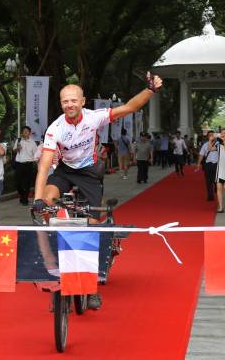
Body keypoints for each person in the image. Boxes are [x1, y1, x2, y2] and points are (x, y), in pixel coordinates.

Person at [33, 72, 162, 310]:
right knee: (47, 204)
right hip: (64, 170)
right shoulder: (55, 128)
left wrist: (150, 90)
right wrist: (38, 199)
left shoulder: (95, 117)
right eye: (65, 101)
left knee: (92, 226)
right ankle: (52, 266)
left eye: (74, 100)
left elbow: (130, 107)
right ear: (61, 104)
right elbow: (44, 165)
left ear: (83, 101)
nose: (69, 104)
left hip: (90, 173)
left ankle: (90, 287)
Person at [11, 126, 37, 206]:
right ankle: (22, 195)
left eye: (27, 131)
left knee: (27, 183)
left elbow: (36, 155)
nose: (25, 132)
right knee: (18, 183)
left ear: (29, 132)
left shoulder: (33, 143)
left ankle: (25, 199)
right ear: (22, 133)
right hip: (19, 164)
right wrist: (17, 148)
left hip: (29, 164)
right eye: (24, 131)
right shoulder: (18, 140)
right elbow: (14, 150)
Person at [197, 131, 220, 202]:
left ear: (214, 136)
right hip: (208, 164)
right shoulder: (205, 145)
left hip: (216, 164)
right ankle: (210, 195)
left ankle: (216, 188)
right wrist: (198, 164)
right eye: (209, 135)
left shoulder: (218, 144)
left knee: (216, 180)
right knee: (208, 181)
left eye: (212, 135)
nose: (211, 136)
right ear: (207, 137)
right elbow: (201, 154)